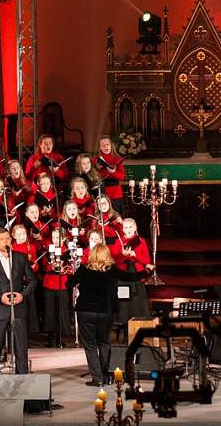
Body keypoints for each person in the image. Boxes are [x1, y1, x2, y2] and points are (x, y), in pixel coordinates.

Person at [67, 243, 155, 386]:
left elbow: (69, 284)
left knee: (90, 345)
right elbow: (131, 277)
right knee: (104, 342)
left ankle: (97, 378)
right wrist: (146, 270)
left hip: (86, 310)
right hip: (106, 311)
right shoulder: (112, 270)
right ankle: (106, 376)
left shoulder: (84, 269)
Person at [0, 227, 37, 400]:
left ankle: (23, 384)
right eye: (2, 239)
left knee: (21, 349)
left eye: (7, 239)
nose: (6, 242)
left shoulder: (20, 258)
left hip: (18, 309)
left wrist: (23, 294)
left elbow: (32, 281)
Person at [93, 135, 125, 215]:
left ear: (111, 145)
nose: (105, 147)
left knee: (116, 214)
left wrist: (113, 172)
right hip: (103, 189)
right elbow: (93, 177)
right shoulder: (96, 159)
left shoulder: (117, 158)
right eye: (103, 145)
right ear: (99, 147)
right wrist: (97, 168)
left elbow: (122, 177)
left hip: (115, 190)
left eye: (107, 144)